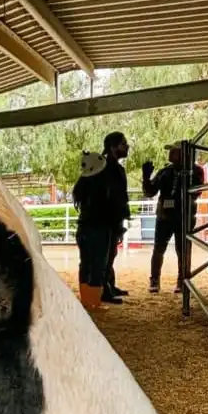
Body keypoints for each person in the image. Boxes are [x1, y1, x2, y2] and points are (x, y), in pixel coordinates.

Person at [142, 144, 205, 293]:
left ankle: (182, 281)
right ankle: (154, 280)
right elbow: (150, 192)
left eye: (174, 151)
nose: (170, 154)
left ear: (183, 153)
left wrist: (185, 177)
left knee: (183, 250)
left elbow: (196, 192)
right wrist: (145, 178)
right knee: (158, 248)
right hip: (164, 216)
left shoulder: (195, 171)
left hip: (184, 216)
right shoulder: (165, 171)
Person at [72, 151, 112, 310]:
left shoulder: (82, 186)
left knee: (85, 263)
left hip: (84, 229)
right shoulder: (101, 188)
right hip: (99, 230)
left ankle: (86, 300)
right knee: (98, 265)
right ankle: (95, 301)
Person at [101, 131, 131, 304]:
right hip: (106, 218)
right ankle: (104, 288)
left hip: (114, 217)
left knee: (111, 252)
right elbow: (110, 196)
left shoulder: (117, 168)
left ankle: (110, 284)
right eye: (123, 143)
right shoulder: (105, 168)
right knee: (106, 254)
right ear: (113, 147)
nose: (127, 146)